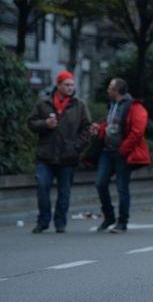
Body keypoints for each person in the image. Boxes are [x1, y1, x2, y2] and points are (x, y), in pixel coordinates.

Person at [28, 70, 92, 233]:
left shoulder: (79, 105)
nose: (70, 88)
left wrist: (77, 146)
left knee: (64, 192)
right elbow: (31, 123)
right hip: (46, 156)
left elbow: (87, 128)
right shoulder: (43, 103)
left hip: (68, 157)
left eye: (72, 85)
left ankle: (60, 223)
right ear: (58, 85)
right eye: (67, 85)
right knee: (42, 187)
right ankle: (43, 221)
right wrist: (45, 124)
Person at [93, 78, 151, 234]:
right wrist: (99, 130)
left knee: (122, 187)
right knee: (100, 183)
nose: (107, 90)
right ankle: (109, 216)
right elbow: (110, 125)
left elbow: (137, 131)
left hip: (122, 153)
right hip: (107, 151)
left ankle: (122, 221)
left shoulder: (133, 106)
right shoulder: (112, 105)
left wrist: (123, 149)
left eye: (110, 87)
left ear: (117, 91)